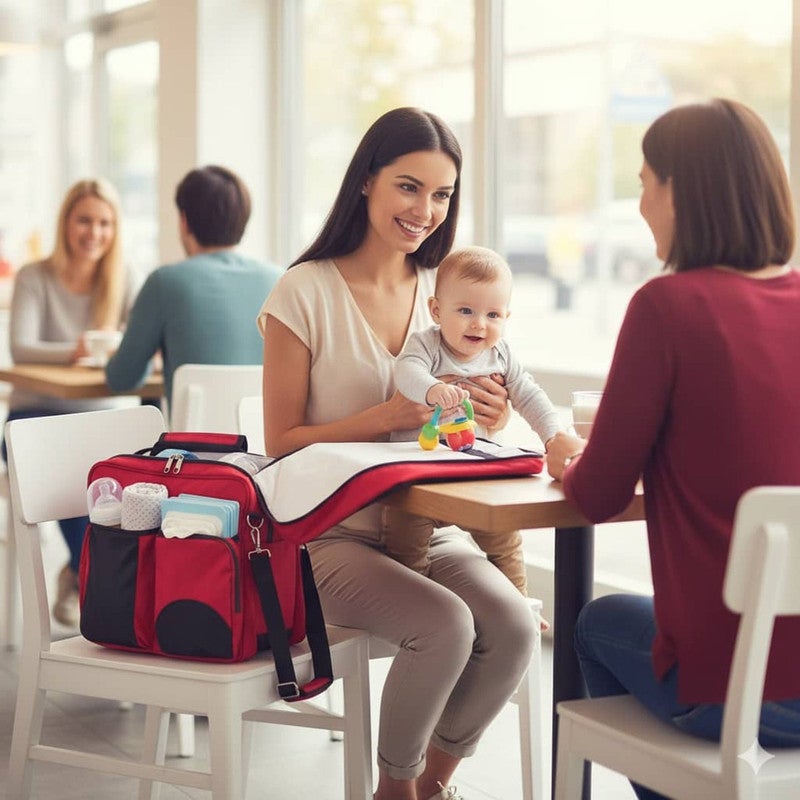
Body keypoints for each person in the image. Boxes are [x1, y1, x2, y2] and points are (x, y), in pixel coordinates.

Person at [259, 107, 538, 800]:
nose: (425, 211)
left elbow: (454, 436)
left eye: (442, 195)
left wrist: (491, 415)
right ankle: (395, 789)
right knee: (444, 624)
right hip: (325, 538)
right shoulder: (305, 291)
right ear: (367, 182)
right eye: (408, 187)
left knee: (513, 626)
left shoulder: (448, 297)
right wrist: (382, 415)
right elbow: (280, 444)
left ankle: (432, 787)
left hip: (425, 527)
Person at [546, 98, 800, 800]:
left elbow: (596, 495)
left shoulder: (668, 307)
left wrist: (569, 452)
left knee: (596, 623)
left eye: (643, 185)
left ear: (680, 192)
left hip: (740, 695)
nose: (639, 207)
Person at [391, 244, 563, 594]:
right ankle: (420, 594)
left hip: (475, 474)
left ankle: (520, 599)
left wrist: (554, 436)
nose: (479, 324)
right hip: (419, 477)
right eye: (466, 310)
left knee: (506, 539)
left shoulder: (500, 354)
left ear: (506, 318)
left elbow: (531, 396)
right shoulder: (426, 345)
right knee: (402, 534)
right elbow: (404, 371)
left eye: (493, 315)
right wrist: (431, 389)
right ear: (436, 311)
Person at [5, 178, 137, 628]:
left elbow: (141, 347)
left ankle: (87, 580)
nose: (94, 232)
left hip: (102, 420)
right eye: (84, 220)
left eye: (104, 222)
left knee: (110, 469)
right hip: (33, 419)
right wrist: (80, 348)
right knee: (76, 469)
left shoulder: (124, 279)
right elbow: (22, 348)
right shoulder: (34, 277)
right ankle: (92, 582)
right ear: (66, 223)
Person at [105, 165, 282, 415]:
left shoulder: (164, 282)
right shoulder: (278, 279)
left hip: (192, 450)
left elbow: (121, 378)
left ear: (184, 221)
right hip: (265, 448)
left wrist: (151, 350)